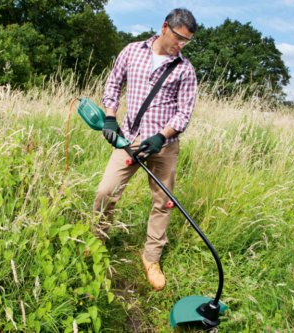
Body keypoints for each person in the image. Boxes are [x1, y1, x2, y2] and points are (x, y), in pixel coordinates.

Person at [93, 8, 198, 291]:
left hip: (163, 145)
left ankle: (151, 258)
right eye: (179, 38)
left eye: (186, 42)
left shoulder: (185, 69)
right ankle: (96, 244)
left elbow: (183, 114)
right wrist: (110, 117)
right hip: (128, 139)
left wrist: (161, 137)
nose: (181, 45)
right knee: (106, 191)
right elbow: (113, 85)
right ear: (165, 27)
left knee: (163, 203)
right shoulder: (131, 51)